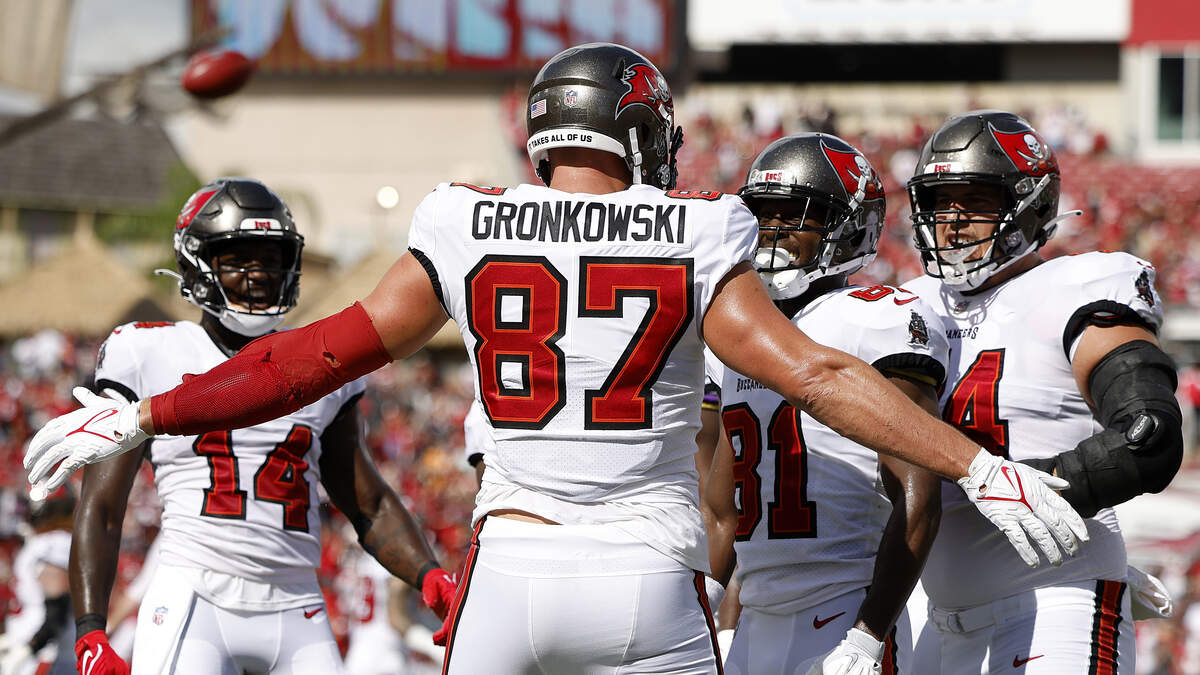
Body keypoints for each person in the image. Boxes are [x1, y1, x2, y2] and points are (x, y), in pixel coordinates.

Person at [27, 46, 1087, 674]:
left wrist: (149, 414)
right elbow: (816, 374)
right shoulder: (695, 228)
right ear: (637, 134)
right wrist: (974, 463)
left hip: (509, 572)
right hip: (648, 577)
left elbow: (308, 358)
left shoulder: (465, 222)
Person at [62, 178, 457, 675]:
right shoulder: (146, 351)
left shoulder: (318, 361)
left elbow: (369, 503)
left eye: (270, 259)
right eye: (238, 259)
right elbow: (102, 507)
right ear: (197, 263)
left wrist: (428, 574)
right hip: (194, 593)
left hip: (298, 601)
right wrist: (90, 629)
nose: (258, 275)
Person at [901, 110, 1183, 673]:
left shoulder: (1071, 287)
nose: (952, 221)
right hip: (937, 621)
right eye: (939, 202)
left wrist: (1036, 487)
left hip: (1055, 601)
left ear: (1031, 205)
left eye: (974, 200)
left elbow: (1148, 433)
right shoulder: (908, 305)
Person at [701, 134, 946, 675]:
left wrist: (868, 636)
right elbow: (722, 511)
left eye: (794, 216)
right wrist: (699, 611)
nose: (772, 231)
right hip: (754, 623)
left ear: (850, 227)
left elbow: (919, 491)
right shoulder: (739, 334)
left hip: (845, 611)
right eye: (763, 215)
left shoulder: (872, 318)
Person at [0, 489, 75, 675]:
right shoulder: (42, 542)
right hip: (33, 646)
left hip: (46, 654)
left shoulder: (53, 543)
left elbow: (57, 610)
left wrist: (31, 647)